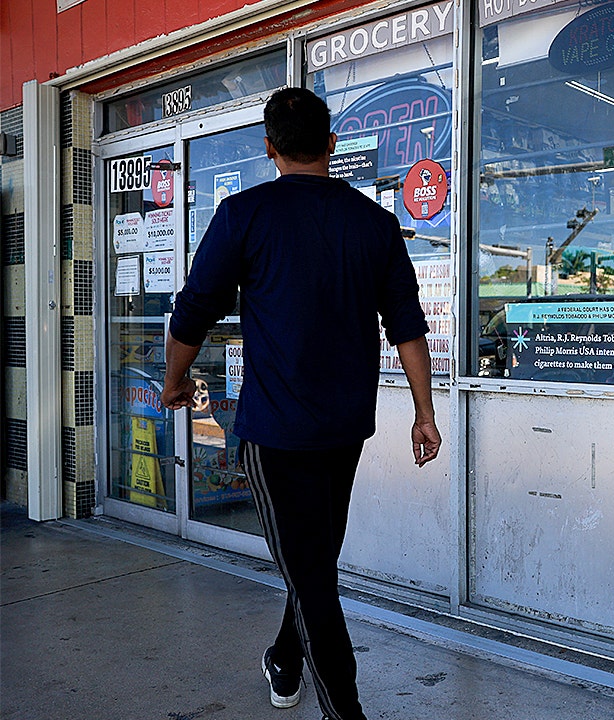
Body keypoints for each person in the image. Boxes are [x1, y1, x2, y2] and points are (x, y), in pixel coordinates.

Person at [160, 86, 442, 720]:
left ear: (269, 149)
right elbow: (407, 325)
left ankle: (344, 712)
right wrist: (423, 413)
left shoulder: (244, 214)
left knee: (311, 575)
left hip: (275, 434)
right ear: (332, 145)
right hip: (344, 429)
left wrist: (174, 381)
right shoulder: (375, 223)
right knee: (313, 563)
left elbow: (192, 310)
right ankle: (286, 661)